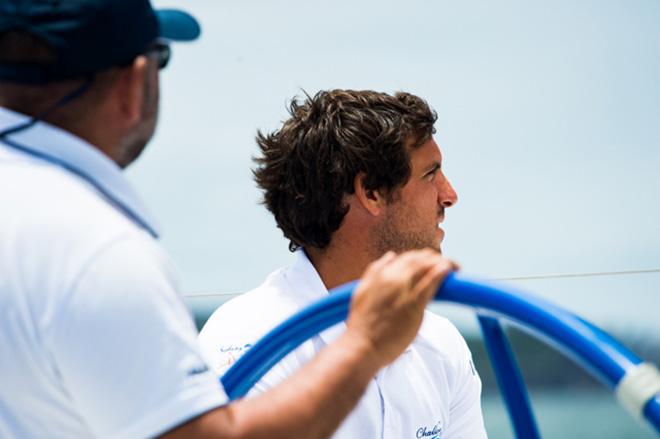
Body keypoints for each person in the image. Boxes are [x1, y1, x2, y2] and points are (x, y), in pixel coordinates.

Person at [0, 2, 458, 438]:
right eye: (160, 59)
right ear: (134, 83)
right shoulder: (94, 250)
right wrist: (366, 344)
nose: (450, 195)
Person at [199, 90, 487, 438]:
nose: (449, 194)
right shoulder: (245, 341)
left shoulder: (441, 344)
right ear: (371, 193)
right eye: (431, 174)